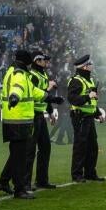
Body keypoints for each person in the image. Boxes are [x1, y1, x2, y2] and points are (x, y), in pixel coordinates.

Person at [0, 49, 40, 198]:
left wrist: (48, 97)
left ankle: (3, 181)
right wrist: (14, 97)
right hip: (19, 120)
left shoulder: (12, 71)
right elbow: (18, 88)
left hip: (12, 120)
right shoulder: (19, 74)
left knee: (16, 154)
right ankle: (19, 189)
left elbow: (33, 91)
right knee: (20, 157)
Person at [25, 52, 62, 189]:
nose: (47, 62)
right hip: (33, 115)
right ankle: (26, 183)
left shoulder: (42, 75)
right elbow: (35, 95)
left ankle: (41, 180)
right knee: (30, 150)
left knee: (45, 147)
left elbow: (45, 97)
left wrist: (50, 112)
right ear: (37, 61)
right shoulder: (32, 76)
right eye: (44, 60)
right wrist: (49, 87)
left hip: (40, 115)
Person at [68, 54, 106, 183]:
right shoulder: (76, 80)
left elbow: (92, 101)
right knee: (80, 146)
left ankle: (90, 173)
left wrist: (97, 113)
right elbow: (72, 99)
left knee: (93, 147)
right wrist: (88, 96)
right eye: (90, 64)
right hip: (80, 117)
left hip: (88, 117)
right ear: (85, 67)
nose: (92, 66)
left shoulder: (89, 80)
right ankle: (77, 174)